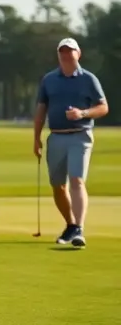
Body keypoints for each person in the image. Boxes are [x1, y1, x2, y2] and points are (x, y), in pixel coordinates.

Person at [33, 38, 108, 248]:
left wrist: (83, 113)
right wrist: (36, 138)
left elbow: (103, 107)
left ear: (78, 53)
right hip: (55, 136)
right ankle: (71, 225)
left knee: (76, 180)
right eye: (62, 52)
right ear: (58, 55)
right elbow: (41, 110)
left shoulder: (89, 79)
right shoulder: (49, 79)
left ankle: (79, 230)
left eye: (70, 51)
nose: (66, 55)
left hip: (80, 135)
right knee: (58, 186)